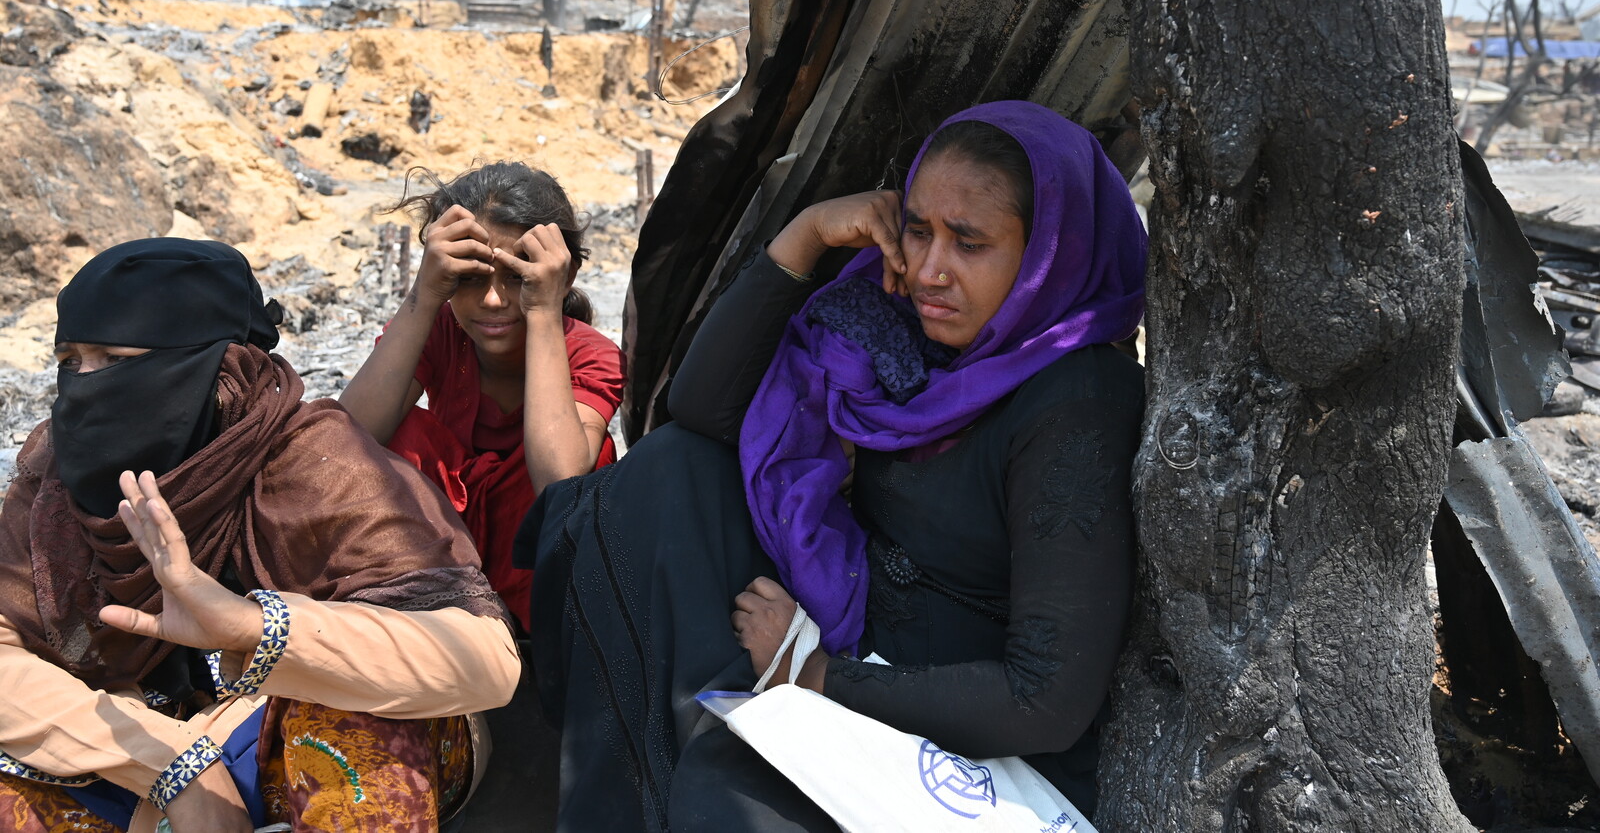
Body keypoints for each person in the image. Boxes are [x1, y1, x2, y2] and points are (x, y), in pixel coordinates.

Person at [522, 101, 1148, 831]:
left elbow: (1044, 699)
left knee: (730, 790)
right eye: (917, 230)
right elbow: (703, 410)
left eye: (969, 242)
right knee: (667, 475)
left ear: (1049, 252)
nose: (928, 270)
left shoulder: (1077, 399)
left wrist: (816, 674)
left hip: (975, 743)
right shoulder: (898, 337)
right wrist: (808, 233)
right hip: (847, 632)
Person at [0, 238, 522, 832]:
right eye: (72, 361)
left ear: (220, 370)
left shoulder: (314, 458)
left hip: (318, 745)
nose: (86, 386)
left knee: (348, 730)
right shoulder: (60, 475)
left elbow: (485, 659)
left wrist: (255, 629)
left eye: (115, 360)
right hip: (144, 749)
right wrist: (174, 763)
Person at [341, 161, 625, 636]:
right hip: (442, 558)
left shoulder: (589, 353)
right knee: (402, 432)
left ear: (562, 276)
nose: (493, 301)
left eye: (517, 277)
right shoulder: (438, 332)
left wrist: (542, 309)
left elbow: (560, 482)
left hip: (534, 572)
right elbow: (344, 443)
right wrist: (426, 293)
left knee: (592, 464)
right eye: (470, 278)